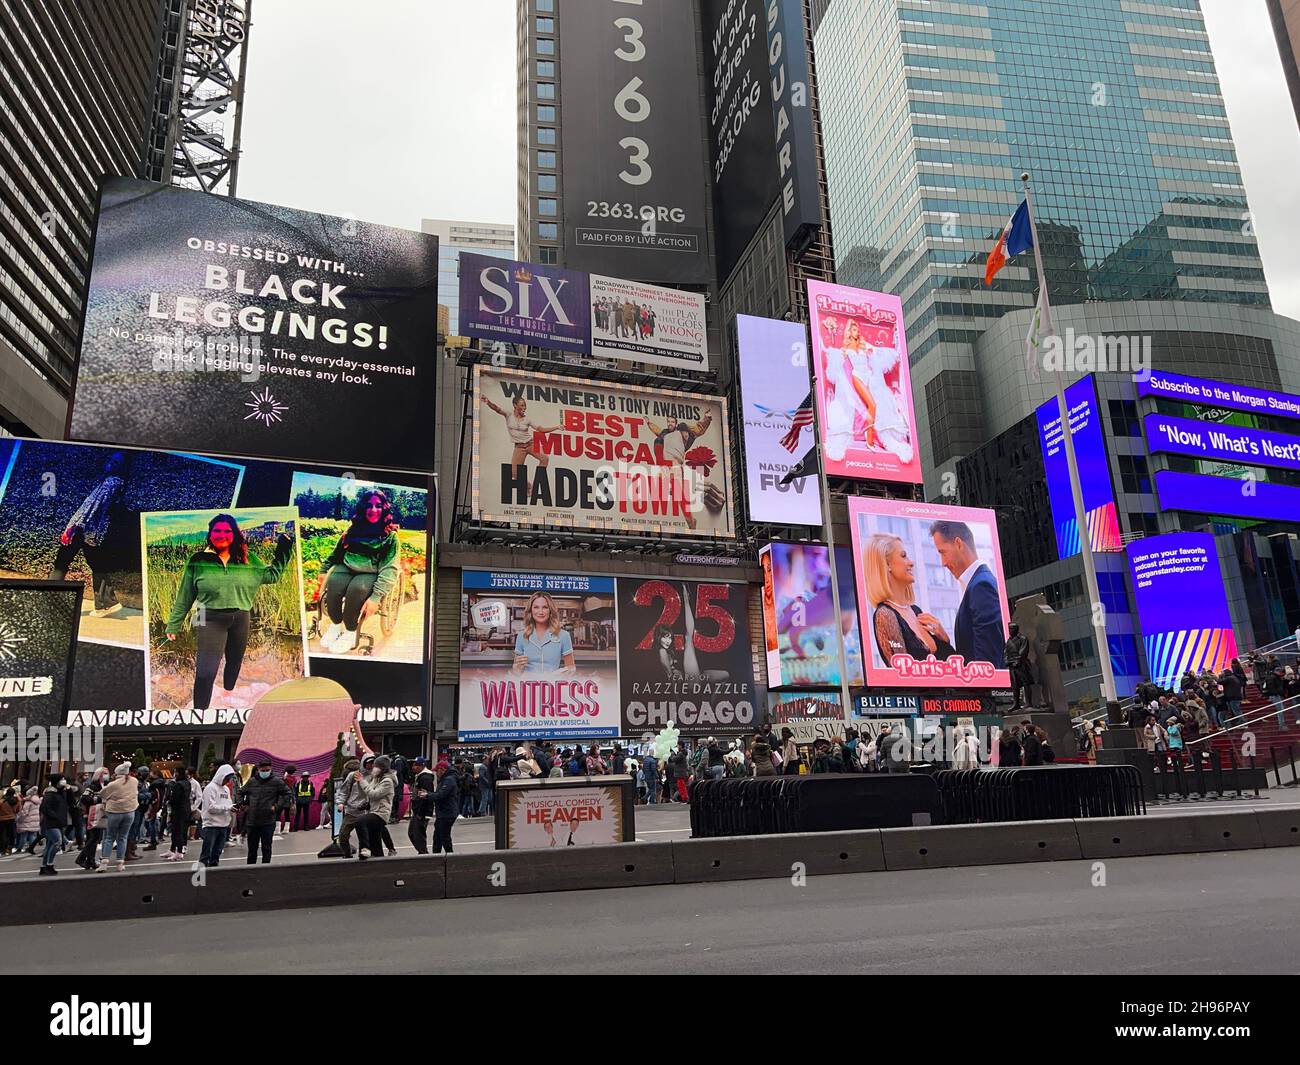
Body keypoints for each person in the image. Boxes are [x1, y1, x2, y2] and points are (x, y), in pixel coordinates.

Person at [165, 513, 296, 711]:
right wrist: (173, 624)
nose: (222, 534)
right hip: (206, 617)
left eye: (227, 531)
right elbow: (185, 595)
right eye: (217, 530)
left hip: (241, 618)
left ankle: (228, 692)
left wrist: (284, 550)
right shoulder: (197, 559)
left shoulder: (248, 558)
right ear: (210, 534)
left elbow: (272, 575)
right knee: (205, 671)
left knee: (234, 661)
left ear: (234, 534)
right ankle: (200, 714)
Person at [315, 489, 401, 656]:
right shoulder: (353, 529)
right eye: (369, 506)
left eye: (378, 506)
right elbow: (337, 552)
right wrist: (324, 569)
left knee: (356, 591)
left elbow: (390, 568)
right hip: (347, 565)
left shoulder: (390, 537)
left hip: (370, 571)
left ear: (384, 508)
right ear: (363, 508)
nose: (373, 510)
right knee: (333, 587)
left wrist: (376, 598)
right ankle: (335, 626)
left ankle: (350, 632)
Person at [49, 451, 127, 616]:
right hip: (92, 532)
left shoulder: (111, 483)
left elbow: (91, 507)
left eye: (116, 462)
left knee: (62, 561)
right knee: (97, 564)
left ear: (121, 468)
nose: (111, 463)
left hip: (82, 529)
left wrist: (72, 527)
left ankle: (49, 598)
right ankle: (107, 603)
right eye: (111, 459)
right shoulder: (115, 483)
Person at [862, 533, 954, 666]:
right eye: (903, 556)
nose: (911, 563)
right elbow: (902, 673)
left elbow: (951, 666)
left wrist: (944, 639)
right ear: (886, 564)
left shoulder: (916, 611)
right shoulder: (885, 615)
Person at [930, 519, 1006, 667]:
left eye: (942, 552)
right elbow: (972, 662)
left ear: (958, 544)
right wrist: (945, 643)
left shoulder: (981, 586)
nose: (942, 563)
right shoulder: (976, 584)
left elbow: (987, 666)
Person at [481, 393, 559, 478]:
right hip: (519, 447)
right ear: (515, 405)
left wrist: (557, 427)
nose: (524, 408)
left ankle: (538, 480)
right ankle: (528, 487)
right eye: (522, 405)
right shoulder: (508, 414)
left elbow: (541, 429)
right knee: (514, 474)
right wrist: (488, 402)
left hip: (530, 444)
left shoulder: (527, 419)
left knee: (545, 459)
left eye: (525, 405)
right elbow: (497, 408)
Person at [238, 760, 292, 864]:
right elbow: (240, 792)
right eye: (263, 770)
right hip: (252, 821)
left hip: (268, 821)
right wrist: (243, 804)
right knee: (252, 849)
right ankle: (251, 869)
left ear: (271, 769)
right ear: (258, 770)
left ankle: (265, 868)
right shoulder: (252, 781)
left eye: (267, 770)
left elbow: (287, 793)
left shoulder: (276, 781)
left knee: (266, 848)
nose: (265, 772)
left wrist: (277, 806)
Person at [512, 591, 575, 676]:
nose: (540, 612)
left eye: (545, 607)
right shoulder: (521, 636)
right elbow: (516, 671)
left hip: (552, 686)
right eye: (536, 607)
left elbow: (571, 667)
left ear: (550, 611)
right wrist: (517, 667)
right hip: (528, 686)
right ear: (531, 610)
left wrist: (562, 675)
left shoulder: (564, 635)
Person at [98, 763, 139, 873]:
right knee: (122, 837)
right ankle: (120, 864)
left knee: (109, 837)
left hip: (114, 812)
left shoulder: (113, 784)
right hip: (130, 811)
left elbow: (102, 794)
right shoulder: (134, 781)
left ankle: (104, 863)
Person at [355, 755, 395, 860]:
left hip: (381, 813)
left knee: (360, 821)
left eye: (375, 766)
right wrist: (367, 804)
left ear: (382, 768)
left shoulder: (387, 781)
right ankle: (377, 859)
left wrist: (362, 781)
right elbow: (370, 795)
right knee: (375, 843)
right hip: (374, 811)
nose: (373, 768)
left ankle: (364, 848)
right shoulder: (376, 779)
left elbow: (374, 794)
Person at [199, 765, 237, 867]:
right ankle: (202, 874)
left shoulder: (226, 789)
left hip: (223, 825)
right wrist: (227, 807)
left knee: (217, 853)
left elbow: (228, 803)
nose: (227, 781)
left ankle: (214, 874)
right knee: (207, 853)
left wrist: (231, 807)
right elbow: (210, 808)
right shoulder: (210, 788)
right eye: (226, 778)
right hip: (211, 825)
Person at [37, 774, 70, 876]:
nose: (64, 781)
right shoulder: (50, 794)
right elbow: (46, 808)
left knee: (50, 844)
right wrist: (56, 817)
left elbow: (70, 802)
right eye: (62, 779)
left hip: (55, 822)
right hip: (51, 823)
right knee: (57, 842)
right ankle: (49, 865)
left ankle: (44, 867)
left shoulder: (59, 793)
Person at [335, 758, 366, 857]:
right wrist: (340, 802)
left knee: (364, 837)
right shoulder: (352, 775)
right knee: (343, 835)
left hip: (366, 811)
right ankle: (347, 855)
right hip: (352, 810)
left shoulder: (373, 776)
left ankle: (364, 854)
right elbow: (344, 790)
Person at [406, 757, 436, 854]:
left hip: (421, 812)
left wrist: (421, 813)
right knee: (412, 833)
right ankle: (422, 851)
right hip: (417, 810)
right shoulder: (419, 776)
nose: (413, 767)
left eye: (416, 765)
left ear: (422, 766)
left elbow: (425, 797)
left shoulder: (425, 778)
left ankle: (423, 853)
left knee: (418, 834)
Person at [164, 767, 194, 862]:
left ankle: (178, 852)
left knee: (177, 831)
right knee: (181, 831)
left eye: (175, 772)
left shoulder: (178, 785)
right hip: (186, 809)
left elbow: (175, 799)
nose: (174, 774)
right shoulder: (187, 783)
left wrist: (169, 802)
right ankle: (173, 850)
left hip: (178, 811)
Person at [431, 760, 460, 854]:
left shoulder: (449, 780)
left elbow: (441, 794)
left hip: (447, 812)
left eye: (437, 771)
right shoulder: (445, 779)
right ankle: (436, 855)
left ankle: (450, 856)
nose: (436, 773)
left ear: (442, 770)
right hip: (443, 812)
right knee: (438, 836)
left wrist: (428, 795)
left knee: (444, 836)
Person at [1004, 623, 1033, 711]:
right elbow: (1005, 653)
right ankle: (1016, 703)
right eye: (1009, 629)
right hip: (1011, 665)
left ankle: (1028, 702)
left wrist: (1018, 660)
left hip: (1021, 664)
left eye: (1012, 629)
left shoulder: (1022, 639)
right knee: (1014, 685)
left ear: (1016, 629)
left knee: (1025, 683)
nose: (1010, 631)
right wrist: (1007, 661)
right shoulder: (1009, 641)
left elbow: (1023, 651)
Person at [0, 784, 19, 855]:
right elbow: (18, 810)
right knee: (10, 834)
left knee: (2, 834)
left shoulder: (2, 801)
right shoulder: (16, 801)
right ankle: (9, 848)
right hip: (12, 818)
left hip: (2, 819)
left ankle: (2, 849)